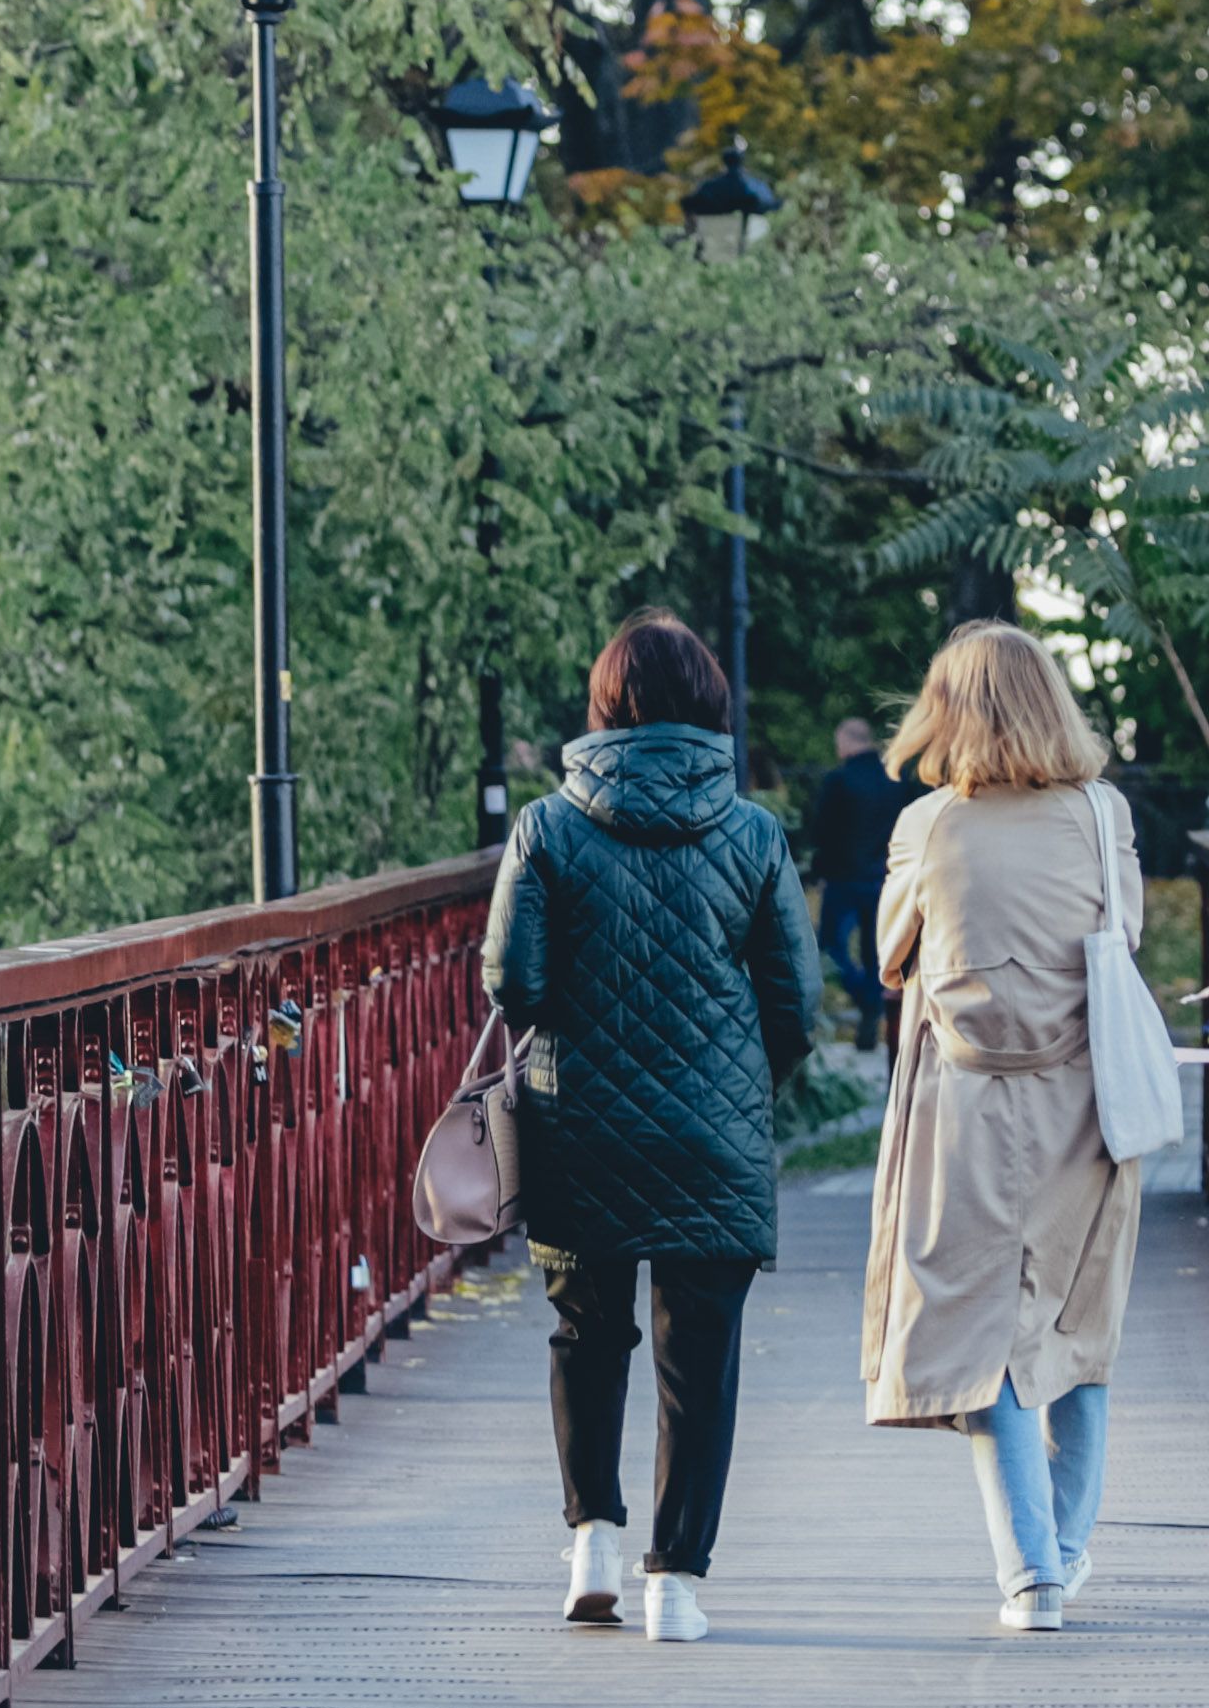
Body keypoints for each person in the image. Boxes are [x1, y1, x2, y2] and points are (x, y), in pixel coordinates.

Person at [483, 611, 812, 1642]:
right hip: (713, 1133)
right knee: (698, 1356)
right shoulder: (753, 832)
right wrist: (739, 1084)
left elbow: (512, 981)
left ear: (604, 705)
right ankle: (675, 1584)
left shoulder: (546, 827)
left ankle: (592, 1542)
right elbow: (797, 1004)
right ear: (709, 703)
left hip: (576, 1119)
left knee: (587, 1332)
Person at [854, 622, 1142, 1634]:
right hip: (1085, 1106)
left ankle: (1030, 1576)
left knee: (987, 1336)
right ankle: (1063, 1541)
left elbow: (890, 954)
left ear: (946, 712)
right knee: (1075, 1325)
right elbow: (1124, 938)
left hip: (967, 1110)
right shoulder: (1103, 815)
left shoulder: (928, 826)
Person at [805, 713, 918, 1049]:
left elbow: (823, 832)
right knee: (875, 955)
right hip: (885, 879)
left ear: (846, 741)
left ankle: (868, 1001)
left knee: (830, 948)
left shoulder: (839, 780)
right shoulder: (896, 780)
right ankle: (873, 1005)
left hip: (844, 880)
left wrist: (819, 872)